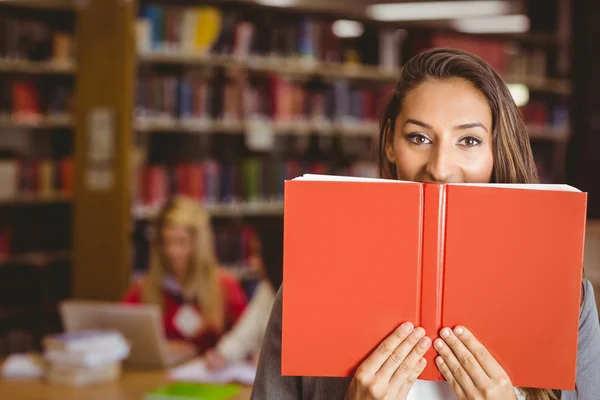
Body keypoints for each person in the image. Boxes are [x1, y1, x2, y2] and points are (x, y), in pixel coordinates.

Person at [250, 48, 600, 400]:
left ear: (497, 150)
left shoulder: (570, 301)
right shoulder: (310, 291)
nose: (441, 167)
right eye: (419, 138)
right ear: (389, 142)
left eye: (469, 140)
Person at [123, 196, 248, 354]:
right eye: (165, 242)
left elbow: (247, 339)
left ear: (198, 245)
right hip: (161, 373)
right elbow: (122, 333)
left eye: (181, 242)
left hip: (208, 373)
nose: (172, 251)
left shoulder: (225, 285)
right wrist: (164, 348)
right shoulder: (145, 287)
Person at [205, 223, 284, 370]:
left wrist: (272, 358)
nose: (253, 262)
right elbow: (244, 333)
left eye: (258, 254)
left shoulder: (303, 295)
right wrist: (222, 354)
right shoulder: (266, 289)